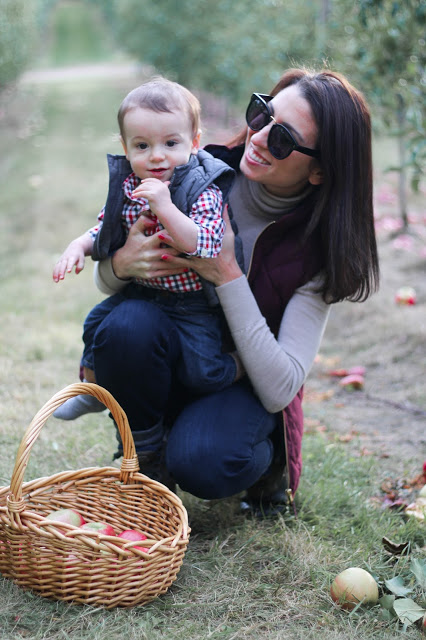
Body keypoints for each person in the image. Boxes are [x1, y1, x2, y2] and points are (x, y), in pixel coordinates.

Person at [84, 68, 379, 514]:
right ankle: (144, 457)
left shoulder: (318, 251)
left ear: (319, 170)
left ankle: (263, 467)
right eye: (261, 115)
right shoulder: (193, 174)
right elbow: (110, 277)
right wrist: (120, 263)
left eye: (282, 140)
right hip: (171, 348)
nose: (258, 138)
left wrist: (227, 273)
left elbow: (281, 387)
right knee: (124, 325)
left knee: (206, 461)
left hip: (239, 382)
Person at [52, 78, 244, 427]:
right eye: (142, 145)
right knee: (96, 322)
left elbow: (202, 242)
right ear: (126, 148)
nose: (156, 156)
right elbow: (107, 228)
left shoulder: (203, 187)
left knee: (203, 371)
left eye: (171, 143)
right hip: (142, 292)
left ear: (194, 142)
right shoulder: (130, 184)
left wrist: (166, 206)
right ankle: (92, 388)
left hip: (191, 304)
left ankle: (236, 366)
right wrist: (78, 245)